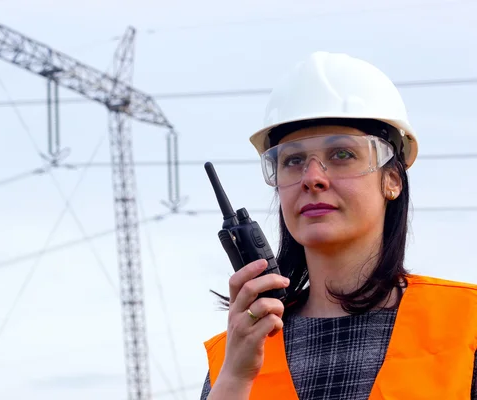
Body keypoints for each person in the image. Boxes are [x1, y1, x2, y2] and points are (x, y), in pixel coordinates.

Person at [199, 51, 477, 400]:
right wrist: (235, 380)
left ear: (392, 179)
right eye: (293, 160)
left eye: (342, 154)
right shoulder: (235, 352)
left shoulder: (467, 326)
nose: (312, 178)